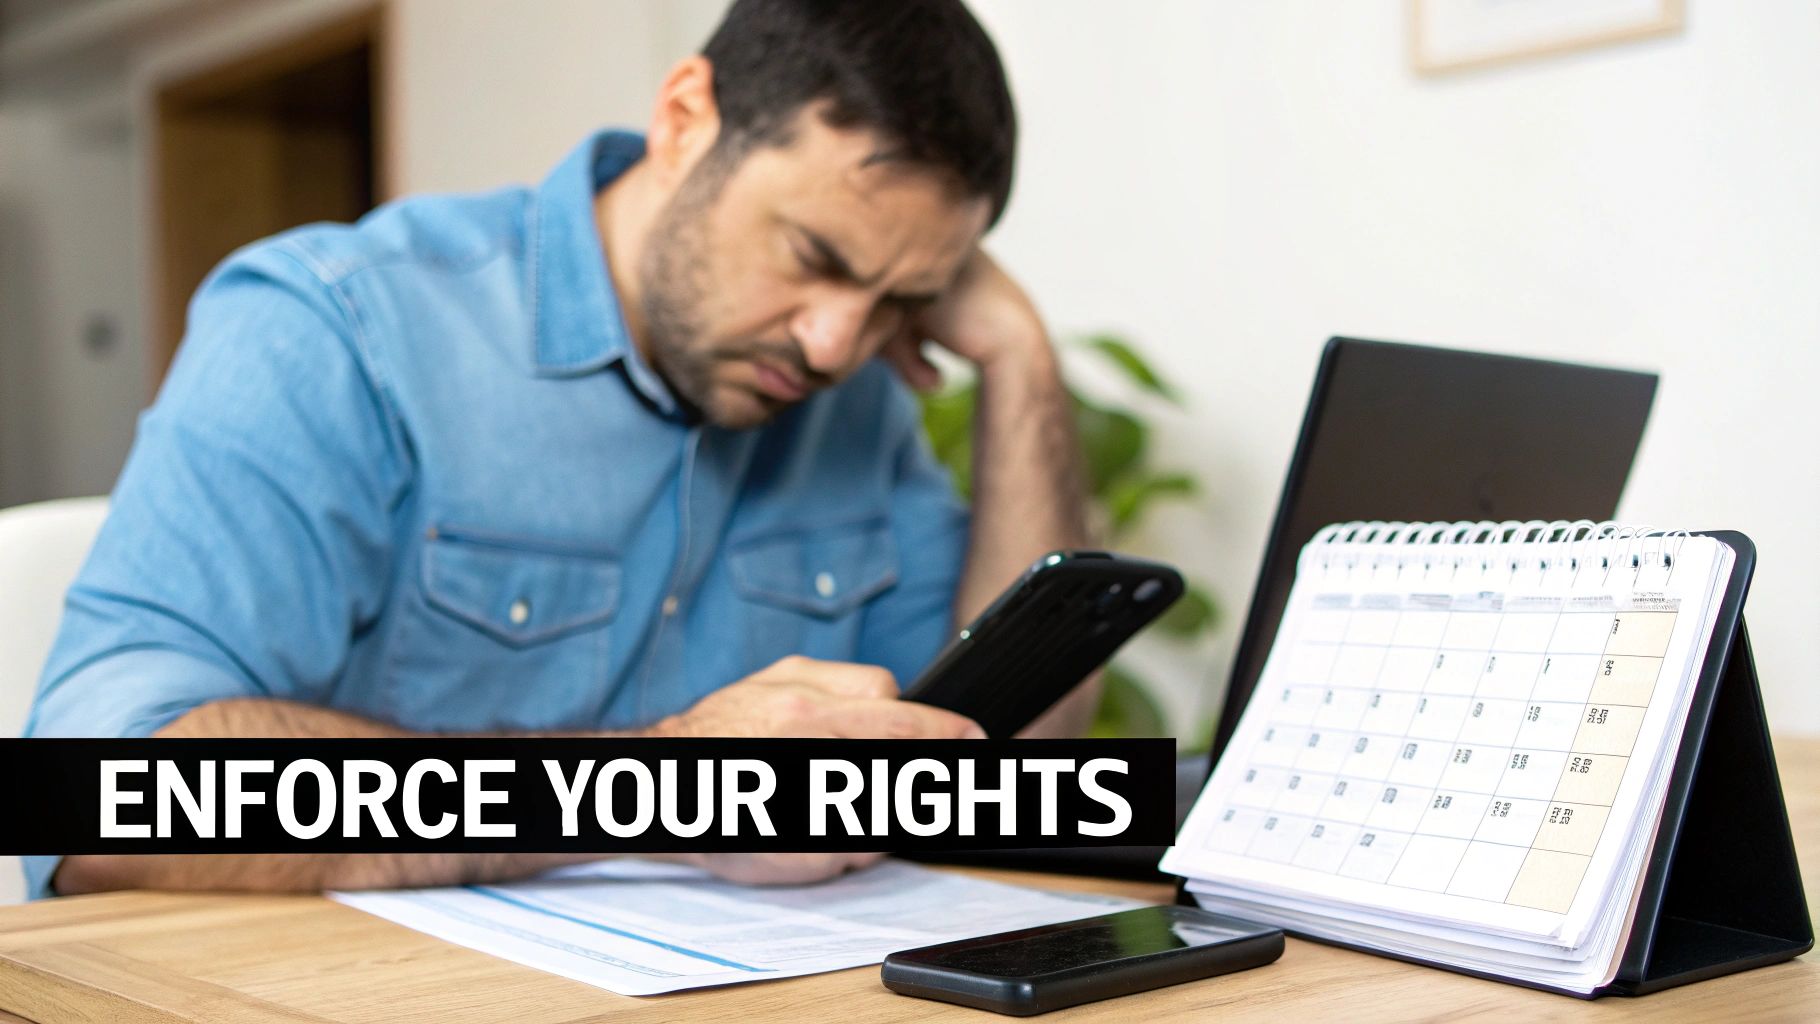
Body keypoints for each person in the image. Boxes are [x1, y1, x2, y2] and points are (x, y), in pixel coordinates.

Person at [24, 0, 1087, 898]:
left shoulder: (849, 397)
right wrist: (664, 784)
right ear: (684, 121)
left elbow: (1005, 770)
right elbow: (97, 797)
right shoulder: (337, 329)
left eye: (897, 298)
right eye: (813, 255)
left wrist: (1021, 361)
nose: (833, 342)